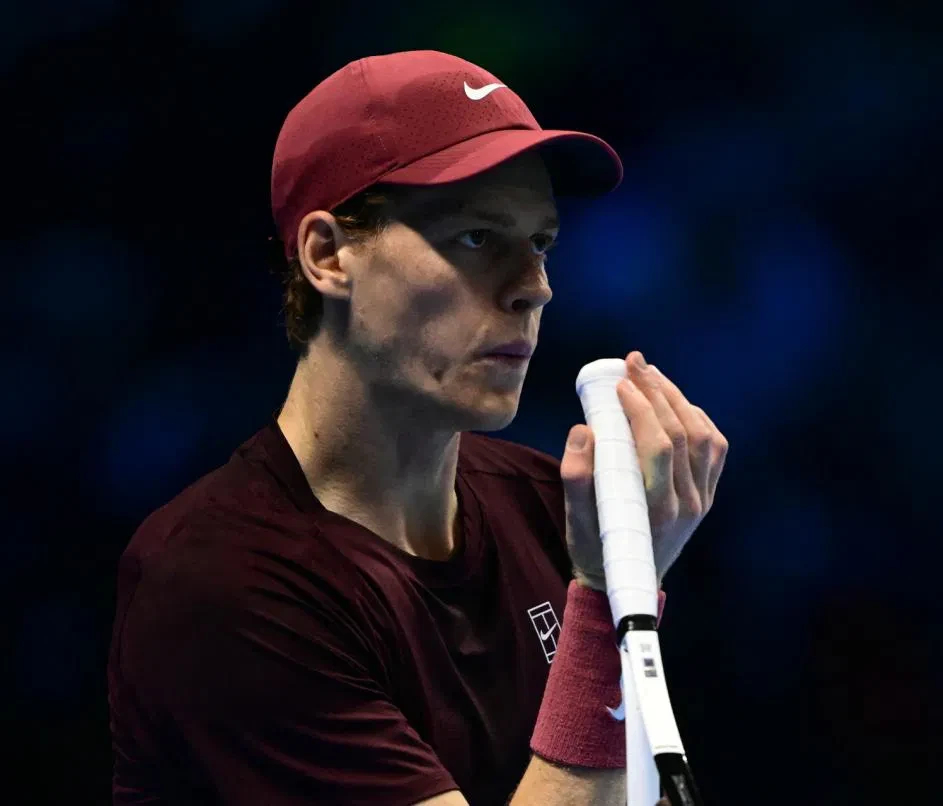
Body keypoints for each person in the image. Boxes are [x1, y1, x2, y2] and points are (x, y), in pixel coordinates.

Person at [106, 50, 727, 805]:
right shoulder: (218, 586)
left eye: (541, 243)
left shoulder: (554, 513)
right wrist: (603, 600)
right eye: (477, 238)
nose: (535, 288)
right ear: (328, 256)